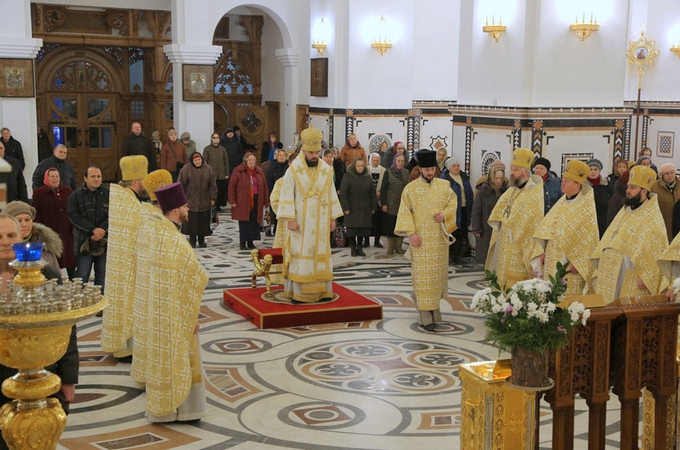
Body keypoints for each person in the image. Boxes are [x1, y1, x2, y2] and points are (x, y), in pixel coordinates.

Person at [131, 182, 208, 423]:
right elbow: (196, 276)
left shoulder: (155, 231)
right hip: (175, 312)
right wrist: (191, 314)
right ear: (175, 210)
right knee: (181, 355)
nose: (187, 210)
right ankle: (185, 410)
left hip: (156, 311)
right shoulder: (174, 241)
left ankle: (162, 408)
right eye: (184, 206)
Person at [0, 214, 78, 450]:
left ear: (22, 236)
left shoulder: (47, 277)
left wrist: (69, 379)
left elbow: (66, 327)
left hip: (42, 376)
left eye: (10, 235)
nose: (4, 241)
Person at [277, 125, 343, 303]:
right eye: (311, 153)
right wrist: (289, 219)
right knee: (302, 255)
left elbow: (330, 194)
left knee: (321, 255)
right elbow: (286, 194)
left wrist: (332, 218)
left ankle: (322, 292)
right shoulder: (293, 170)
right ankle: (299, 293)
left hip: (321, 223)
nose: (315, 156)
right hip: (300, 223)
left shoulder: (326, 170)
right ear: (303, 150)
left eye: (317, 152)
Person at [394, 149, 457, 331]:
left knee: (436, 279)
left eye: (432, 169)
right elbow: (404, 212)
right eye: (426, 169)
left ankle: (435, 313)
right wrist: (411, 234)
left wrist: (444, 214)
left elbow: (453, 205)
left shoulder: (444, 186)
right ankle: (425, 317)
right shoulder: (410, 189)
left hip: (438, 242)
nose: (430, 172)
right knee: (422, 280)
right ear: (420, 169)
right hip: (420, 242)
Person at [591, 165, 668, 302]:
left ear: (644, 191)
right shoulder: (625, 210)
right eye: (628, 187)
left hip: (630, 272)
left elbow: (656, 249)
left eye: (633, 187)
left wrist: (646, 276)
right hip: (611, 270)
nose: (628, 191)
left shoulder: (652, 218)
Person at [101, 155, 148, 360]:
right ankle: (127, 348)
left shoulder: (122, 199)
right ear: (136, 182)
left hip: (121, 262)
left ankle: (123, 345)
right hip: (130, 264)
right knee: (130, 303)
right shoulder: (132, 205)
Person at [531, 160, 598, 295]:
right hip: (552, 258)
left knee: (568, 301)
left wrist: (579, 262)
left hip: (571, 263)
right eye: (563, 180)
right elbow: (549, 230)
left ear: (577, 185)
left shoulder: (585, 207)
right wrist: (543, 251)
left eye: (567, 181)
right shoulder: (561, 202)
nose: (562, 183)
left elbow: (588, 238)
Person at [486, 148, 544, 289]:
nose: (511, 173)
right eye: (511, 169)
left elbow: (533, 223)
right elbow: (499, 214)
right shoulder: (511, 190)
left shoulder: (534, 193)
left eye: (515, 170)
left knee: (517, 287)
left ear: (525, 172)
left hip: (520, 246)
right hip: (505, 246)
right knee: (502, 284)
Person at [68, 166, 109, 290]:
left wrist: (101, 230)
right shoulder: (75, 196)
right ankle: (81, 305)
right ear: (85, 178)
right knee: (82, 276)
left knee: (102, 276)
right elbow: (74, 216)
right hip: (84, 241)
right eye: (93, 176)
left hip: (104, 241)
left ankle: (100, 305)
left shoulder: (109, 194)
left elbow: (114, 214)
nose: (96, 179)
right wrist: (92, 230)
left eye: (99, 176)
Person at [32, 168, 76, 278]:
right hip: (50, 232)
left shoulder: (67, 191)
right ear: (46, 178)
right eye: (52, 176)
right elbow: (36, 213)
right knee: (52, 261)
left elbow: (73, 209)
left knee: (70, 260)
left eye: (57, 176)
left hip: (67, 231)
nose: (55, 178)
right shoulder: (39, 193)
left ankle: (73, 283)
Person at [2, 200, 62, 272]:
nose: (24, 224)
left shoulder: (45, 245)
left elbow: (57, 278)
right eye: (18, 221)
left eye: (27, 220)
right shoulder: (4, 249)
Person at [470, 160, 508, 265]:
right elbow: (476, 210)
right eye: (496, 178)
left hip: (500, 226)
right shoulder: (483, 190)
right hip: (486, 227)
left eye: (500, 178)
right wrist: (476, 229)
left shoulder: (506, 190)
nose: (498, 181)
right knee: (487, 251)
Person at [228, 152, 269, 250]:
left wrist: (266, 201)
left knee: (254, 221)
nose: (251, 162)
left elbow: (265, 187)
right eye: (249, 160)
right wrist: (232, 200)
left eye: (253, 160)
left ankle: (251, 241)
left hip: (256, 199)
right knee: (244, 221)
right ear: (245, 161)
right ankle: (243, 242)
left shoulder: (259, 171)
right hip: (242, 200)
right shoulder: (238, 171)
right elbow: (231, 186)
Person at [178, 152, 217, 248]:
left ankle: (201, 240)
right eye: (195, 160)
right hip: (190, 200)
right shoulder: (186, 169)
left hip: (204, 200)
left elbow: (213, 185)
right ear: (192, 161)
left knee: (202, 222)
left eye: (199, 160)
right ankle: (192, 240)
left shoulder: (208, 169)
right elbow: (180, 184)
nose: (197, 162)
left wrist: (213, 198)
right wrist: (182, 198)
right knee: (192, 222)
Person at [340, 158, 375, 257]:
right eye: (358, 166)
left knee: (362, 230)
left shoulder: (367, 177)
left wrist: (373, 207)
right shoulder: (348, 176)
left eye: (362, 166)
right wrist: (345, 207)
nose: (360, 168)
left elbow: (372, 193)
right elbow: (343, 194)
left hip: (364, 208)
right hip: (352, 208)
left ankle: (360, 247)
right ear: (354, 167)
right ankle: (353, 248)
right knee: (352, 230)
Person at [442, 157, 474, 265]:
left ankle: (458, 255)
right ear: (449, 168)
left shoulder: (464, 177)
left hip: (464, 209)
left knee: (462, 232)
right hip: (452, 211)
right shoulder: (445, 179)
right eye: (454, 166)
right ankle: (451, 255)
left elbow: (469, 193)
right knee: (453, 232)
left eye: (458, 166)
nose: (456, 168)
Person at [381, 153, 410, 255]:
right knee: (390, 226)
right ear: (395, 161)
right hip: (390, 203)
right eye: (398, 161)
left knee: (401, 226)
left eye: (402, 161)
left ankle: (399, 247)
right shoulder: (388, 172)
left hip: (402, 204)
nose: (400, 163)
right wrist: (384, 203)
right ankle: (390, 248)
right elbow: (383, 189)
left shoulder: (406, 172)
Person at [651, 163, 680, 242]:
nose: (670, 175)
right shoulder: (654, 187)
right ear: (662, 175)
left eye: (672, 173)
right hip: (662, 224)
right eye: (667, 173)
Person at [584, 159, 611, 238]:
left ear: (599, 171)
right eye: (590, 169)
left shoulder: (606, 184)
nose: (593, 172)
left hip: (603, 220)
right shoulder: (583, 186)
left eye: (595, 169)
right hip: (587, 220)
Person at [203, 133, 230, 212]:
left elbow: (226, 161)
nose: (216, 139)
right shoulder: (207, 149)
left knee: (220, 190)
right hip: (211, 174)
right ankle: (213, 206)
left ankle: (219, 206)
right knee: (212, 190)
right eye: (214, 137)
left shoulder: (222, 149)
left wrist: (227, 173)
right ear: (211, 139)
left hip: (221, 174)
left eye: (217, 137)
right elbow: (205, 162)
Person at [266, 148, 289, 235]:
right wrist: (270, 194)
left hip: (287, 193)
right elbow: (269, 181)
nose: (282, 157)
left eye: (283, 155)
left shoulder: (289, 167)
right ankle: (276, 229)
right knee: (275, 213)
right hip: (276, 193)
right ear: (277, 157)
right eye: (280, 155)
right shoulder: (272, 167)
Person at [368, 152, 386, 248]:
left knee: (378, 222)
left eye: (377, 161)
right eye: (374, 160)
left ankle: (377, 241)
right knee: (368, 221)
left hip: (379, 200)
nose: (376, 162)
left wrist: (380, 193)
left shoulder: (383, 170)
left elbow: (385, 185)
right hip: (368, 200)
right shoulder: (366, 170)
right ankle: (366, 241)